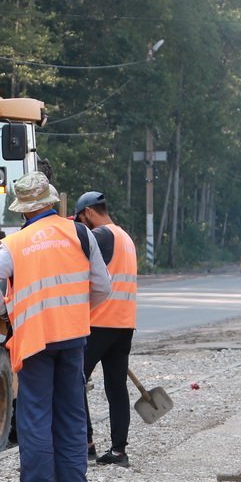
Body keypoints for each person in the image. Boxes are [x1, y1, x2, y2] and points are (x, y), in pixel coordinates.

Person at [0, 171, 111, 482]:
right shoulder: (80, 233)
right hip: (73, 335)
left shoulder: (17, 244)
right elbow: (103, 286)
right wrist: (78, 313)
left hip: (35, 339)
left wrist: (7, 316)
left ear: (23, 210)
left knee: (36, 415)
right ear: (51, 201)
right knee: (72, 414)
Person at [73, 191, 138, 467]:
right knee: (116, 388)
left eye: (80, 219)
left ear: (88, 212)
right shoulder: (125, 237)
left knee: (74, 381)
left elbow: (74, 252)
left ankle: (85, 442)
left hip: (98, 322)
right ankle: (119, 451)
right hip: (124, 323)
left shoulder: (100, 235)